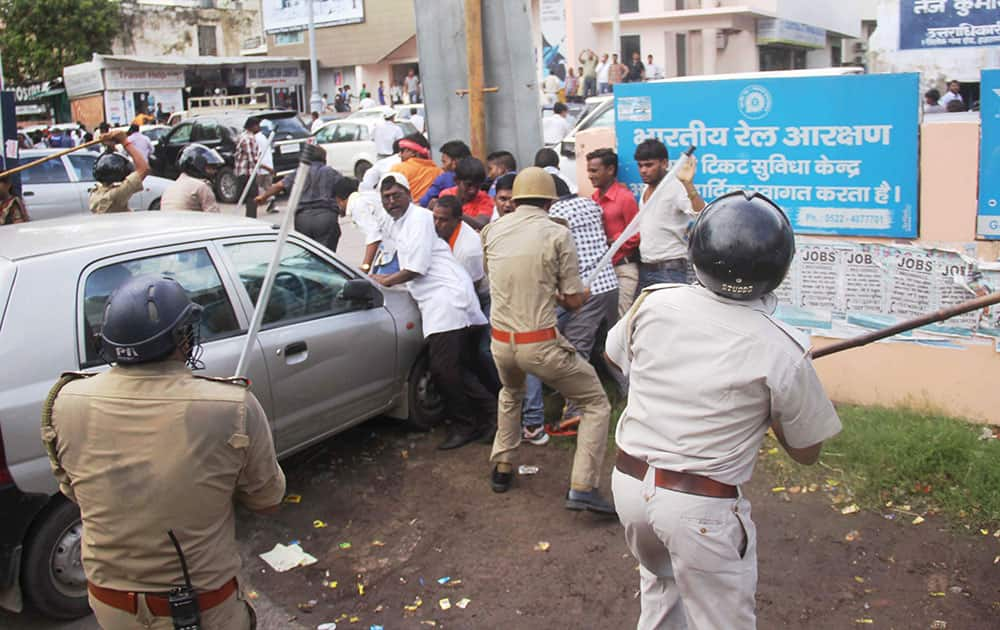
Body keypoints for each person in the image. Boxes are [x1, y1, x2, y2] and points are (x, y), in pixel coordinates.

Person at [606, 191, 842, 630]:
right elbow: (808, 451)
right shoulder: (782, 347)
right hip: (701, 510)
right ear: (778, 267)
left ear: (697, 253)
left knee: (662, 598)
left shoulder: (655, 301)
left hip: (631, 486)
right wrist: (770, 411)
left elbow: (616, 357)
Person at [43, 275, 286, 630]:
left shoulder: (63, 400)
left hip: (110, 605)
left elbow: (72, 490)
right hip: (201, 609)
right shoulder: (232, 407)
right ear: (181, 339)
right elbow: (268, 500)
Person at [481, 167, 614, 514]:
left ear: (518, 198)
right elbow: (571, 300)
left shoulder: (491, 230)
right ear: (549, 201)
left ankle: (503, 467)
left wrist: (552, 291)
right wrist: (577, 295)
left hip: (501, 343)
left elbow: (506, 279)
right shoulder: (557, 233)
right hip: (539, 344)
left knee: (511, 394)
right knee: (596, 403)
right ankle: (583, 486)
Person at [372, 173, 495, 449]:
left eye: (396, 195)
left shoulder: (417, 220)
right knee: (457, 370)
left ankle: (468, 424)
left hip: (447, 301)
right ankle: (490, 417)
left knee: (445, 371)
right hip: (442, 301)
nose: (391, 201)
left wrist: (384, 281)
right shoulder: (400, 223)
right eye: (386, 197)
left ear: (409, 194)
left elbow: (415, 268)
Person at [521, 179, 620, 444]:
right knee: (612, 347)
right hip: (608, 284)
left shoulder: (555, 216)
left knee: (576, 352)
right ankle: (629, 395)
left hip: (584, 291)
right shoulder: (591, 204)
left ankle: (575, 413)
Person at [634, 139, 704, 290]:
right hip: (646, 268)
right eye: (640, 165)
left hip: (669, 270)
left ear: (664, 163)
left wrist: (688, 184)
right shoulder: (646, 189)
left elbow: (700, 214)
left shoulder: (675, 187)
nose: (643, 170)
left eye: (649, 165)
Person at [256, 145, 344, 252]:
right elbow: (343, 191)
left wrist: (263, 197)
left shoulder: (299, 172)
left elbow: (279, 185)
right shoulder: (331, 172)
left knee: (307, 253)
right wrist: (343, 210)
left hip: (303, 218)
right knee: (326, 255)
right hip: (325, 216)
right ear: (324, 158)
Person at [588, 148, 640, 317]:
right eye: (589, 170)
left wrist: (612, 240)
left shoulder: (625, 198)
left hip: (623, 268)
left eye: (594, 171)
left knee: (621, 319)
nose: (590, 175)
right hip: (603, 271)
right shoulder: (592, 199)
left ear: (610, 170)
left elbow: (636, 234)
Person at [336, 176, 396, 273]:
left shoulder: (356, 205)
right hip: (392, 244)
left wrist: (365, 268)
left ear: (339, 200)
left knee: (380, 283)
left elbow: (374, 236)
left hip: (394, 246)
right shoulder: (367, 196)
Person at [89, 130, 150, 214]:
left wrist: (110, 147)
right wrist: (124, 141)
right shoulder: (115, 195)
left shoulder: (96, 193)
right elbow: (144, 169)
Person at [160, 144, 222, 212]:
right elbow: (214, 217)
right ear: (197, 166)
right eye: (210, 167)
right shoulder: (201, 187)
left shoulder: (170, 187)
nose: (214, 171)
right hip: (188, 222)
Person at [439, 157, 495, 229]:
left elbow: (482, 224)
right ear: (456, 181)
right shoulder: (446, 195)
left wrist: (452, 212)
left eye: (477, 186)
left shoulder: (484, 199)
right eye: (468, 185)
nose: (473, 191)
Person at [390, 133, 442, 202]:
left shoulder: (398, 168)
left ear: (413, 152)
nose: (399, 155)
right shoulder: (439, 172)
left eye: (402, 151)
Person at [419, 140, 472, 207]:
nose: (443, 167)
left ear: (454, 162)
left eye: (444, 162)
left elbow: (424, 202)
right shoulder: (479, 175)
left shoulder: (444, 178)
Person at [234, 117, 261, 218]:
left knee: (250, 197)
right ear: (252, 126)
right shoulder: (248, 138)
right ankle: (251, 218)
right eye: (257, 125)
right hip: (247, 172)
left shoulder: (244, 136)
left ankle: (250, 216)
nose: (259, 127)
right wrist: (258, 171)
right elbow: (251, 157)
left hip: (244, 172)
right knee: (252, 198)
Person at [256, 121, 277, 213]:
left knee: (263, 187)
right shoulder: (263, 138)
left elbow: (258, 156)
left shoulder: (258, 138)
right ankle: (271, 203)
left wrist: (266, 167)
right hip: (266, 167)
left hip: (263, 169)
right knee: (266, 187)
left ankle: (271, 202)